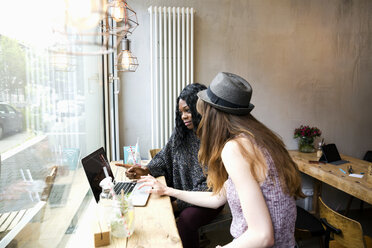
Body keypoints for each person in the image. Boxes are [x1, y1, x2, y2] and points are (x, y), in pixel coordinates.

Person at [138, 72, 305, 247]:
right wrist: (168, 191)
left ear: (212, 113)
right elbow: (217, 197)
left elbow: (263, 236)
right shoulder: (259, 138)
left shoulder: (235, 148)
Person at [117, 83, 224, 248]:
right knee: (149, 205)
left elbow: (209, 188)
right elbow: (164, 158)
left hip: (208, 200)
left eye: (188, 110)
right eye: (180, 112)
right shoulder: (181, 134)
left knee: (186, 220)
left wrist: (175, 205)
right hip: (181, 193)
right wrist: (145, 170)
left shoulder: (215, 140)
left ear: (200, 108)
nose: (184, 116)